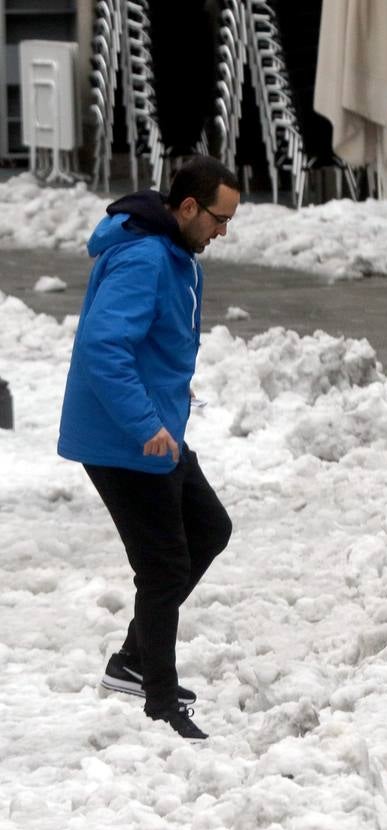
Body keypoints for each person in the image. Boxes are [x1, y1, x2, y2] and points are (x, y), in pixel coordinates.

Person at [58, 156, 240, 740]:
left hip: (154, 427)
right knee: (163, 566)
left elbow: (150, 340)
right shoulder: (143, 258)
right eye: (219, 218)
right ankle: (158, 700)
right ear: (187, 208)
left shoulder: (176, 255)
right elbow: (103, 348)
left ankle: (135, 659)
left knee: (209, 529)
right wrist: (143, 420)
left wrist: (169, 388)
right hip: (124, 439)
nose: (224, 231)